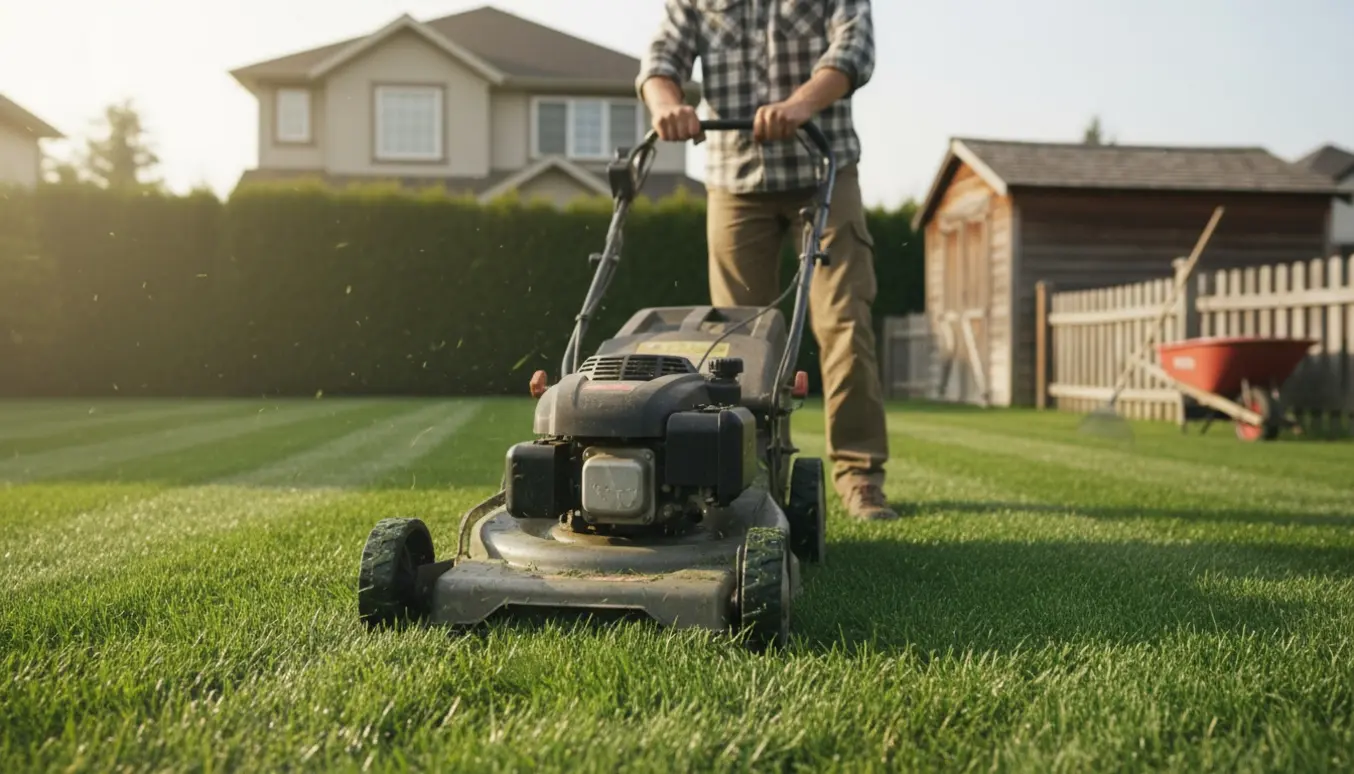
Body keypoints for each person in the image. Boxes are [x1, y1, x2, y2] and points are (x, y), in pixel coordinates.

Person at [636, 0, 896, 521]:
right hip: (735, 182)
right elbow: (661, 61)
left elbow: (853, 48)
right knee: (737, 346)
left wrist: (799, 105)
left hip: (823, 167)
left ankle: (860, 475)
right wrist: (666, 104)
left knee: (844, 322)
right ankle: (748, 474)